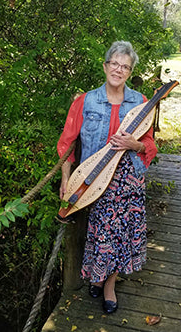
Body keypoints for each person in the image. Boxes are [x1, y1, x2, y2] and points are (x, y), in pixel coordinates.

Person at [57, 41, 157, 314]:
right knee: (101, 234)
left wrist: (133, 145)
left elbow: (149, 145)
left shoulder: (141, 103)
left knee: (122, 235)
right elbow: (67, 144)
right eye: (115, 63)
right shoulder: (85, 101)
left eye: (125, 66)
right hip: (95, 181)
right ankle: (98, 277)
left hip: (129, 180)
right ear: (105, 66)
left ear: (130, 71)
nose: (119, 69)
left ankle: (109, 285)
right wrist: (66, 180)